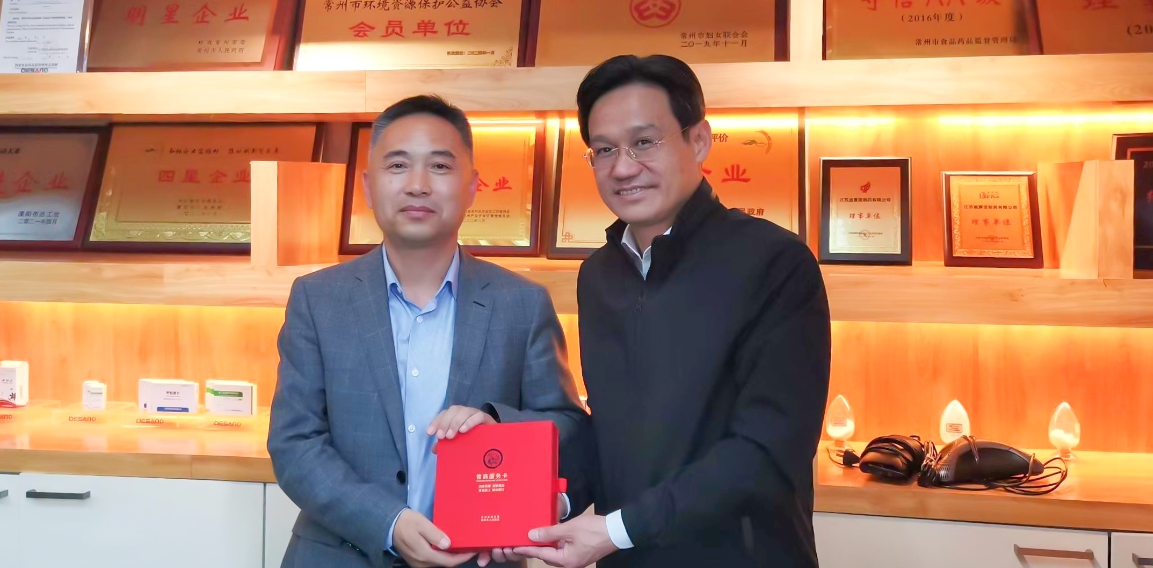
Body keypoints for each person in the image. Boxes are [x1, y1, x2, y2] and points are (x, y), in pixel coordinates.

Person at [509, 55, 832, 568]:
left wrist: (619, 529)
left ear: (698, 141)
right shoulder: (598, 275)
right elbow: (610, 431)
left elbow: (768, 450)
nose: (622, 167)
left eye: (644, 142)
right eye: (604, 149)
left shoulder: (774, 262)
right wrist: (553, 501)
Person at [268, 95, 586, 568]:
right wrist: (388, 523)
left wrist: (499, 427)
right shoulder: (318, 299)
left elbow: (567, 429)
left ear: (472, 186)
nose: (417, 185)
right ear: (369, 187)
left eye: (439, 166)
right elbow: (294, 443)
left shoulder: (521, 303)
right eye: (398, 166)